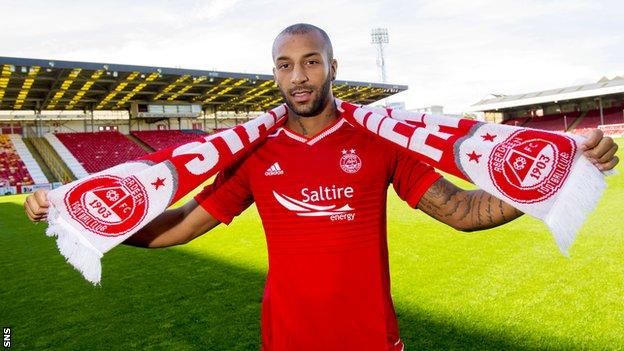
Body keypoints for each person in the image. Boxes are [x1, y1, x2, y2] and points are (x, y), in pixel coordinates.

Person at [24, 24, 619, 351]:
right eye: (285, 64)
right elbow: (177, 226)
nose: (298, 74)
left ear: (332, 67)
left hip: (370, 339)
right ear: (274, 74)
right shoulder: (254, 152)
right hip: (286, 342)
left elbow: (462, 210)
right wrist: (76, 218)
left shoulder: (382, 138)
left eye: (311, 61)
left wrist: (557, 179)